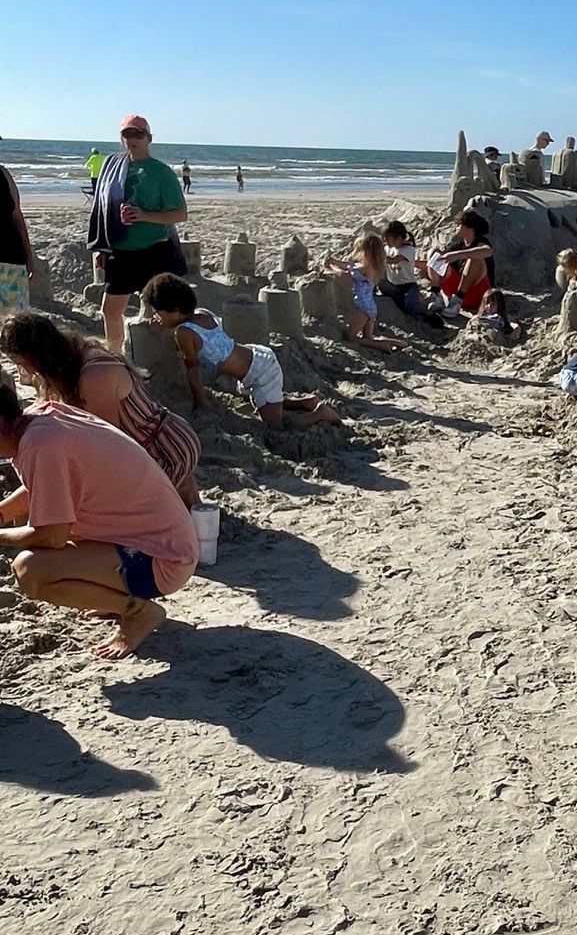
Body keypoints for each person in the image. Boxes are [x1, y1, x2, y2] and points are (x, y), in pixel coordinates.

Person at [0, 381, 198, 659]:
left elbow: (52, 536)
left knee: (31, 570)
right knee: (46, 545)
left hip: (162, 560)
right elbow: (50, 482)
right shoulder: (41, 418)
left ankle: (139, 613)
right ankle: (111, 597)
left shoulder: (41, 446)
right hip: (160, 541)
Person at [0, 312, 202, 507]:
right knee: (190, 508)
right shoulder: (67, 363)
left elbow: (105, 446)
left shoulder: (95, 374)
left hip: (165, 448)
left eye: (21, 363)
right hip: (149, 443)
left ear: (38, 355)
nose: (22, 371)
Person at [142, 273, 342, 428]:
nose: (156, 317)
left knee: (278, 426)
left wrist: (200, 404)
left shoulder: (184, 332)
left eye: (158, 313)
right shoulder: (203, 314)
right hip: (254, 359)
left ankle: (321, 413)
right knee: (257, 400)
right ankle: (305, 402)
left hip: (261, 371)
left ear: (174, 310)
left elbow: (192, 371)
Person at [88, 116, 189, 353]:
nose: (132, 139)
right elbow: (102, 209)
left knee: (166, 312)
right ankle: (116, 358)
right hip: (122, 251)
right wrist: (102, 246)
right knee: (110, 310)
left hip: (155, 250)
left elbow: (180, 214)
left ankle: (173, 360)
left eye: (138, 135)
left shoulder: (161, 172)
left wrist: (144, 215)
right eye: (127, 135)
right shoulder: (113, 167)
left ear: (149, 138)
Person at [327, 234, 406, 353]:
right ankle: (397, 343)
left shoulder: (366, 268)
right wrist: (336, 262)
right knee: (368, 338)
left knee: (351, 337)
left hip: (362, 308)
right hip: (371, 307)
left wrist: (333, 267)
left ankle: (384, 346)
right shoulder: (375, 267)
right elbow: (350, 266)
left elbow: (346, 274)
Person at [423, 210, 495, 316]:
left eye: (459, 225)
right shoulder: (459, 245)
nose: (456, 228)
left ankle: (457, 301)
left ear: (469, 228)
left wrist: (457, 255)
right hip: (455, 290)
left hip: (478, 294)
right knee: (434, 253)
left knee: (474, 258)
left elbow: (488, 251)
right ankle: (436, 294)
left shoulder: (481, 242)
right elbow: (439, 261)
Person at [0, 161, 33, 320]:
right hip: (10, 261)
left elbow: (17, 217)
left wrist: (29, 256)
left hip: (11, 259)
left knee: (17, 323)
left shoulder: (3, 174)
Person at [379, 220, 429, 314]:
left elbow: (394, 260)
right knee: (380, 281)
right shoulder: (387, 249)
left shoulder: (408, 250)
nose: (385, 240)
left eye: (388, 238)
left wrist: (379, 256)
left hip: (407, 286)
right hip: (393, 284)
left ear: (398, 238)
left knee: (411, 307)